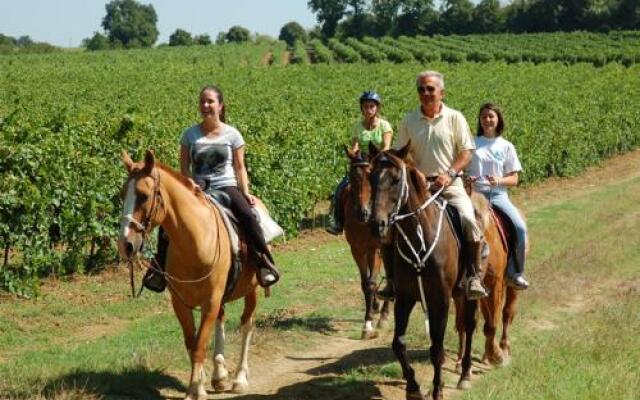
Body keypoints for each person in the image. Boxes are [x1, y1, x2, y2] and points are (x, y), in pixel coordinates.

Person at [143, 85, 279, 291]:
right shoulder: (189, 135)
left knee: (248, 216)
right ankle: (159, 269)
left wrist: (245, 191)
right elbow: (184, 168)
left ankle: (263, 263)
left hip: (226, 187)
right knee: (166, 224)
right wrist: (190, 185)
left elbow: (240, 167)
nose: (205, 106)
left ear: (220, 106)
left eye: (210, 102)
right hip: (199, 191)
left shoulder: (233, 135)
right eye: (202, 102)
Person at [378, 70, 488, 301]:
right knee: (389, 226)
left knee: (468, 218)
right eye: (421, 89)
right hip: (419, 187)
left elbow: (467, 152)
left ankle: (472, 276)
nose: (426, 93)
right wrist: (415, 172)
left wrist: (449, 173)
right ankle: (391, 281)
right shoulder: (408, 120)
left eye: (430, 89)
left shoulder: (455, 118)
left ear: (442, 92)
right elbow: (399, 155)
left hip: (450, 185)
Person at [467, 103, 530, 290]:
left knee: (519, 227)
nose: (487, 120)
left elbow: (515, 178)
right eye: (484, 116)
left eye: (491, 116)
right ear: (480, 120)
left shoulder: (506, 146)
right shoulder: (471, 143)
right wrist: (466, 177)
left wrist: (499, 180)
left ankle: (514, 273)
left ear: (498, 120)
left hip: (498, 196)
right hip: (474, 195)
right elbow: (461, 166)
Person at [326, 91, 393, 235]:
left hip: (377, 163)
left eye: (371, 106)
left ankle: (394, 221)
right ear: (361, 109)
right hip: (361, 164)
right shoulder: (357, 126)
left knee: (388, 188)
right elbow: (355, 145)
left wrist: (375, 159)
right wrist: (352, 152)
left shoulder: (384, 126)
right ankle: (338, 222)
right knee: (341, 188)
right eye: (365, 107)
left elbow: (386, 147)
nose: (368, 110)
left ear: (377, 108)